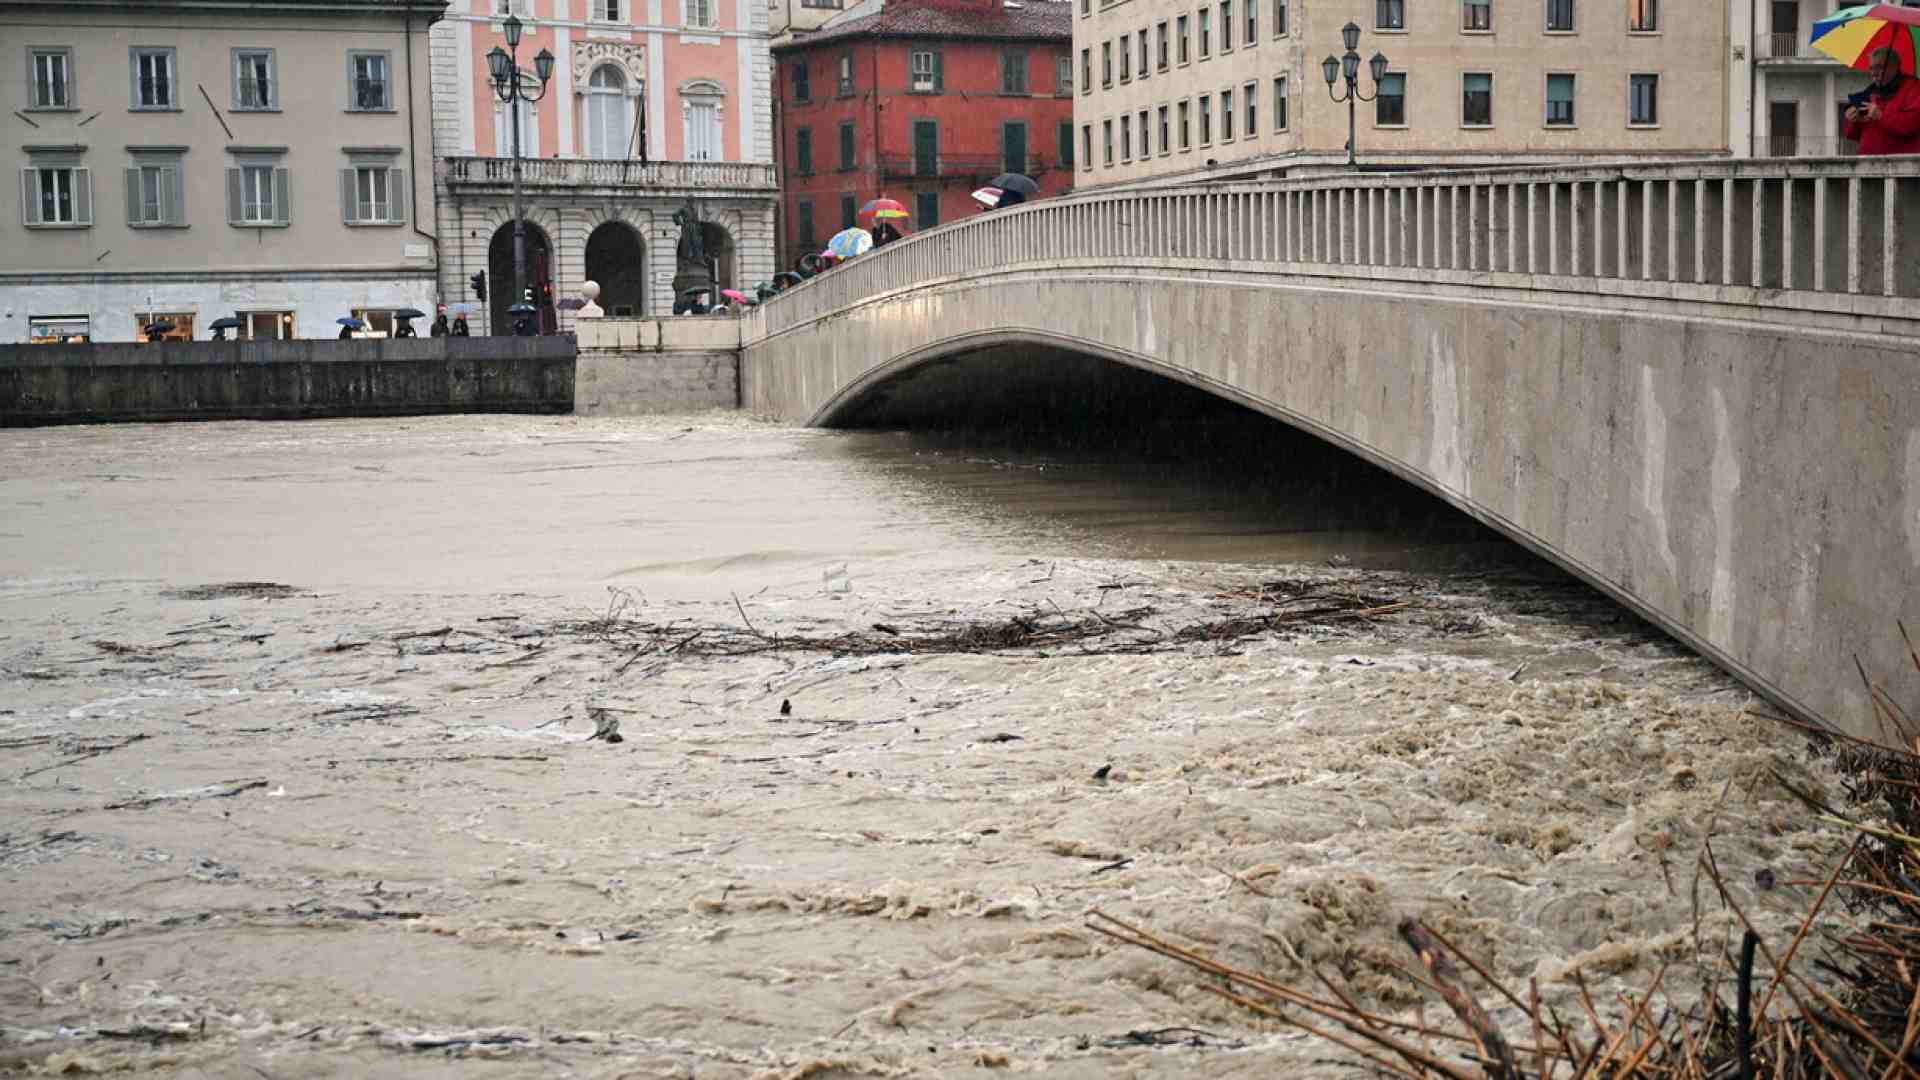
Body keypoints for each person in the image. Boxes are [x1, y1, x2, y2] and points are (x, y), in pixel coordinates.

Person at [1844, 47, 1920, 156]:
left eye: (1879, 67)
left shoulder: (1913, 88)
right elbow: (1853, 135)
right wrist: (1854, 120)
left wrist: (1881, 116)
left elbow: (1912, 125)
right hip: (1868, 161)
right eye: (1871, 68)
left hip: (1901, 162)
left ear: (1894, 67)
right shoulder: (1870, 91)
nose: (1873, 73)